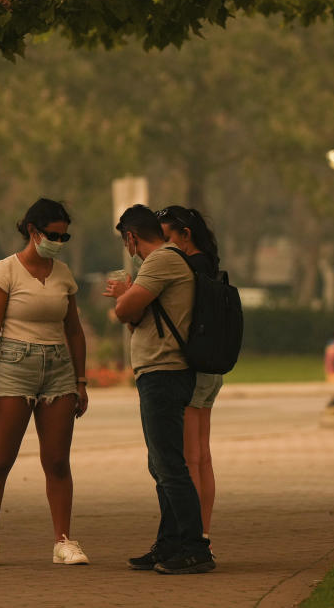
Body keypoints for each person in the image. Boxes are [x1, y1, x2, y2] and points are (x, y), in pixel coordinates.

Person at [0, 198, 90, 567]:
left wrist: (81, 381)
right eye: (53, 235)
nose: (58, 241)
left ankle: (63, 541)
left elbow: (74, 330)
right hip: (13, 366)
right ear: (34, 232)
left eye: (64, 236)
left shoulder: (63, 275)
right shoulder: (5, 271)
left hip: (58, 369)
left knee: (57, 461)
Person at [103, 204, 215, 575]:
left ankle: (195, 547)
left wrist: (125, 299)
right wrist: (130, 303)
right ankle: (168, 544)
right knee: (161, 464)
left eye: (127, 241)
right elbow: (138, 315)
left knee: (170, 465)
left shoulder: (161, 261)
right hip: (157, 372)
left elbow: (125, 311)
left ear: (132, 237)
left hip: (164, 373)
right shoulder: (164, 262)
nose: (128, 248)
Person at [156, 205, 222, 548]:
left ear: (186, 235)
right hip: (212, 367)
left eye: (167, 237)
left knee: (189, 457)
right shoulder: (210, 265)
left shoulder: (186, 268)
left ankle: (192, 539)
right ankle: (204, 531)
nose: (164, 245)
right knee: (203, 455)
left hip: (193, 368)